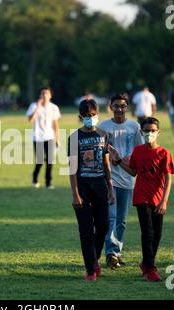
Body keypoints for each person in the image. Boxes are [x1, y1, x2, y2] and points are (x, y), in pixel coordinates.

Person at [109, 117, 174, 282]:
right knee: (148, 232)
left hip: (158, 199)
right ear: (141, 132)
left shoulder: (164, 153)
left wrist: (164, 201)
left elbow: (168, 178)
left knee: (157, 234)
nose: (149, 133)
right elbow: (133, 171)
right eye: (146, 131)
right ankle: (150, 268)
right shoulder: (138, 151)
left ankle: (146, 263)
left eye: (153, 131)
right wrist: (117, 160)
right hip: (141, 197)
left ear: (158, 133)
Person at [68, 99, 115, 281]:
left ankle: (94, 257)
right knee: (86, 230)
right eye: (87, 116)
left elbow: (106, 163)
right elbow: (72, 168)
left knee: (103, 226)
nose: (91, 118)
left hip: (100, 187)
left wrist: (110, 188)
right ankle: (90, 269)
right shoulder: (74, 138)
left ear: (98, 114)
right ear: (80, 117)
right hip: (83, 188)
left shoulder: (104, 135)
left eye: (93, 115)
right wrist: (75, 194)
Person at [99, 92, 144, 269]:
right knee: (111, 218)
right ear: (111, 107)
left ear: (127, 107)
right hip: (109, 179)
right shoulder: (104, 127)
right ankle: (110, 253)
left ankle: (117, 252)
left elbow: (140, 151)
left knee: (122, 220)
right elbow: (99, 153)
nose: (119, 109)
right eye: (116, 106)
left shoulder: (134, 126)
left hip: (128, 178)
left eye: (123, 106)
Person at [26, 87, 61, 189]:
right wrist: (37, 106)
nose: (44, 95)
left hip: (49, 136)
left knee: (50, 161)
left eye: (47, 93)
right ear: (40, 95)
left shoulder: (54, 107)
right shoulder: (33, 106)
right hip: (37, 137)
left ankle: (48, 182)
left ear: (50, 95)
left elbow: (55, 125)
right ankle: (35, 177)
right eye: (43, 93)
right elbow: (30, 120)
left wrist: (57, 138)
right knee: (40, 161)